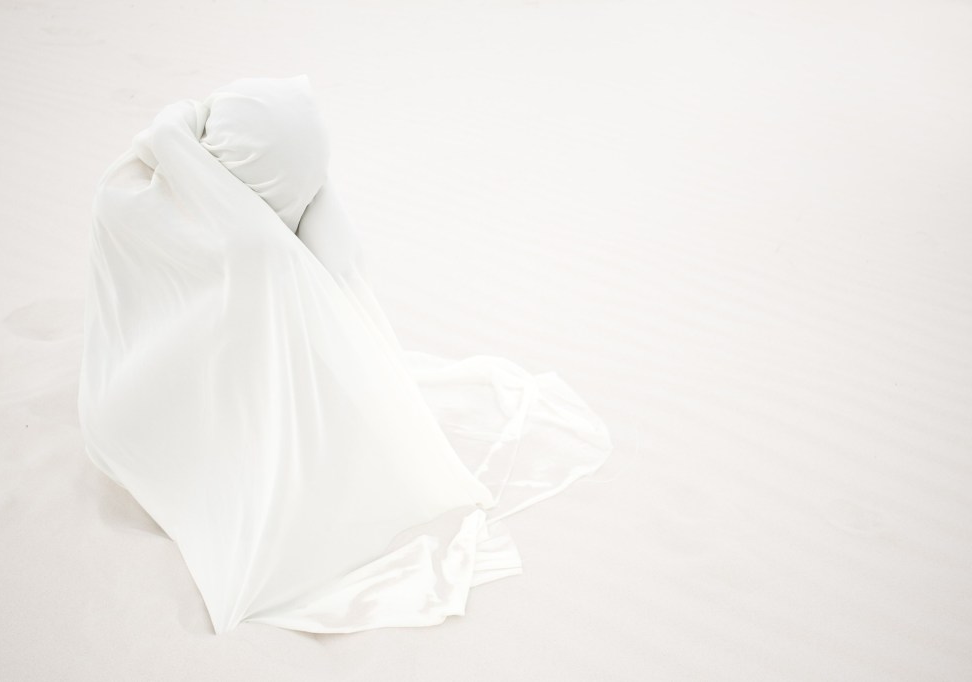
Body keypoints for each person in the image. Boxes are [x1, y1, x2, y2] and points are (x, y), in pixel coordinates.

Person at [78, 75, 613, 634]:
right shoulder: (214, 237)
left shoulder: (222, 211)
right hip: (147, 414)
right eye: (294, 198)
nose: (308, 209)